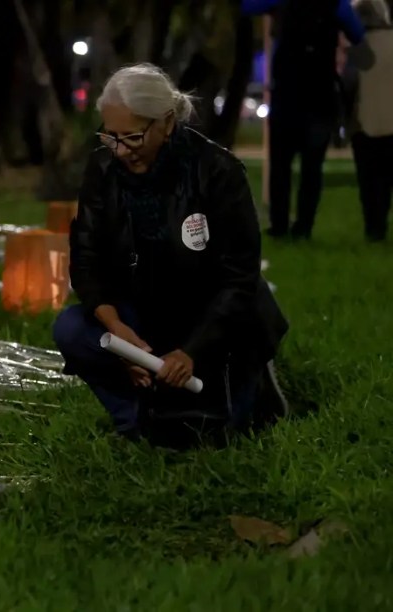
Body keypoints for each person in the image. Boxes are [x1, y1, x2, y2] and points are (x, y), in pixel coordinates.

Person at [52, 65, 289, 447]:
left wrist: (192, 351)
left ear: (165, 122)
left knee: (222, 434)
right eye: (110, 137)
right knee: (72, 329)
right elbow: (86, 259)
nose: (121, 150)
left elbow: (239, 277)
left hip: (214, 321)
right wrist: (116, 329)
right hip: (141, 315)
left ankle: (253, 384)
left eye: (132, 136)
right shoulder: (102, 168)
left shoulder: (217, 171)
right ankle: (138, 421)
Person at [242, 0, 366, 239]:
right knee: (312, 168)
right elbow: (357, 33)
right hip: (319, 94)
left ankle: (279, 225)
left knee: (280, 166)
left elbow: (247, 7)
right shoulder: (335, 5)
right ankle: (303, 226)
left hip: (286, 93)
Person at [346, 0, 393, 242]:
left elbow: (350, 86)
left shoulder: (360, 49)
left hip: (366, 125)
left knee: (371, 184)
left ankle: (375, 230)